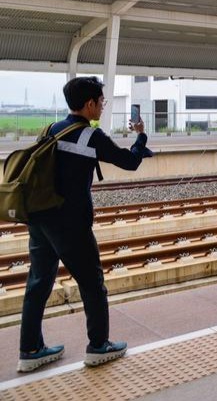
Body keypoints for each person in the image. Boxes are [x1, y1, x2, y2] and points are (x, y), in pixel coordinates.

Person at [18, 77, 152, 373]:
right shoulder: (90, 135)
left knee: (38, 283)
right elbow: (129, 162)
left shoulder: (51, 130)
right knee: (92, 284)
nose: (102, 107)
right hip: (70, 224)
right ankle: (98, 346)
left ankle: (29, 350)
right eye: (101, 102)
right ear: (89, 104)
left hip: (39, 219)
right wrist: (141, 136)